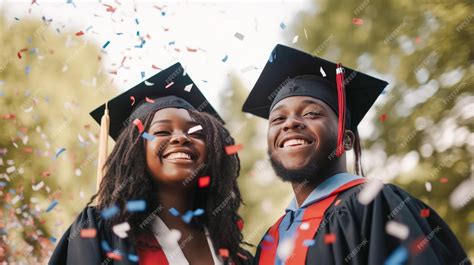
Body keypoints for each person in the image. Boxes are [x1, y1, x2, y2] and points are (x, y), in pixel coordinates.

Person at [242, 44, 469, 265]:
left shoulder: (377, 205)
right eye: (278, 119)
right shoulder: (271, 239)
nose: (290, 123)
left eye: (311, 113)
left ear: (347, 139)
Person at [50, 62, 252, 265]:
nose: (180, 138)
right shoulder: (102, 232)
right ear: (135, 151)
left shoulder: (237, 256)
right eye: (162, 132)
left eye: (196, 133)